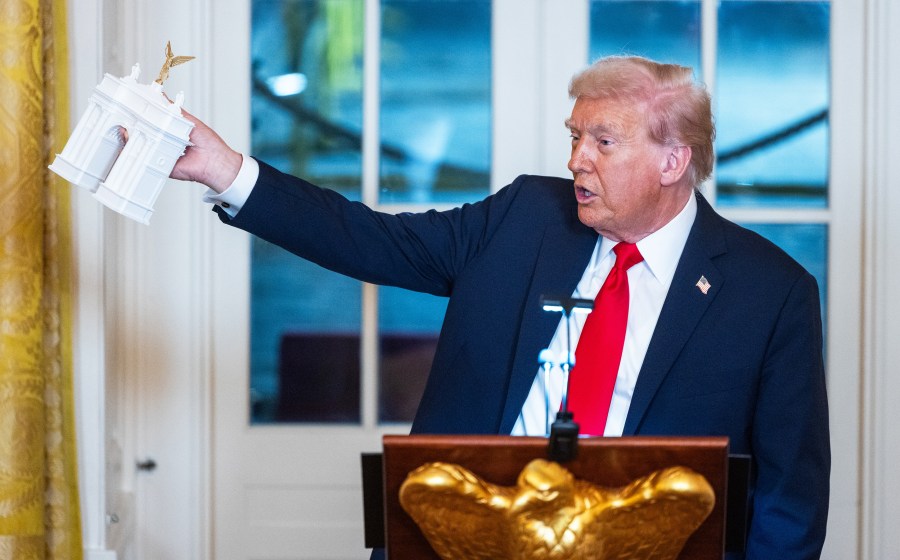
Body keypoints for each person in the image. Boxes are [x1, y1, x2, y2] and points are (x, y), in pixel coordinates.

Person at [172, 56, 830, 559]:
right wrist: (226, 170)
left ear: (672, 161)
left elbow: (788, 502)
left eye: (603, 142)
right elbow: (371, 239)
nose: (577, 160)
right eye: (575, 137)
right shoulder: (523, 219)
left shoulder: (770, 293)